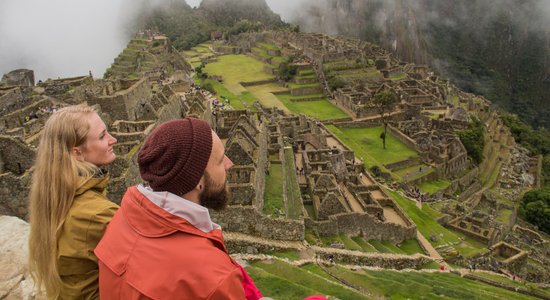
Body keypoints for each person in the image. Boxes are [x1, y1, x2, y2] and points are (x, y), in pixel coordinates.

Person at [95, 118, 263, 299]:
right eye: (221, 160)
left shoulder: (118, 225)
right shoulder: (212, 278)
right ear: (198, 179)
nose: (230, 164)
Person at [28, 105, 119, 299]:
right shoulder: (99, 215)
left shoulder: (54, 197)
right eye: (103, 136)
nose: (113, 139)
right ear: (77, 153)